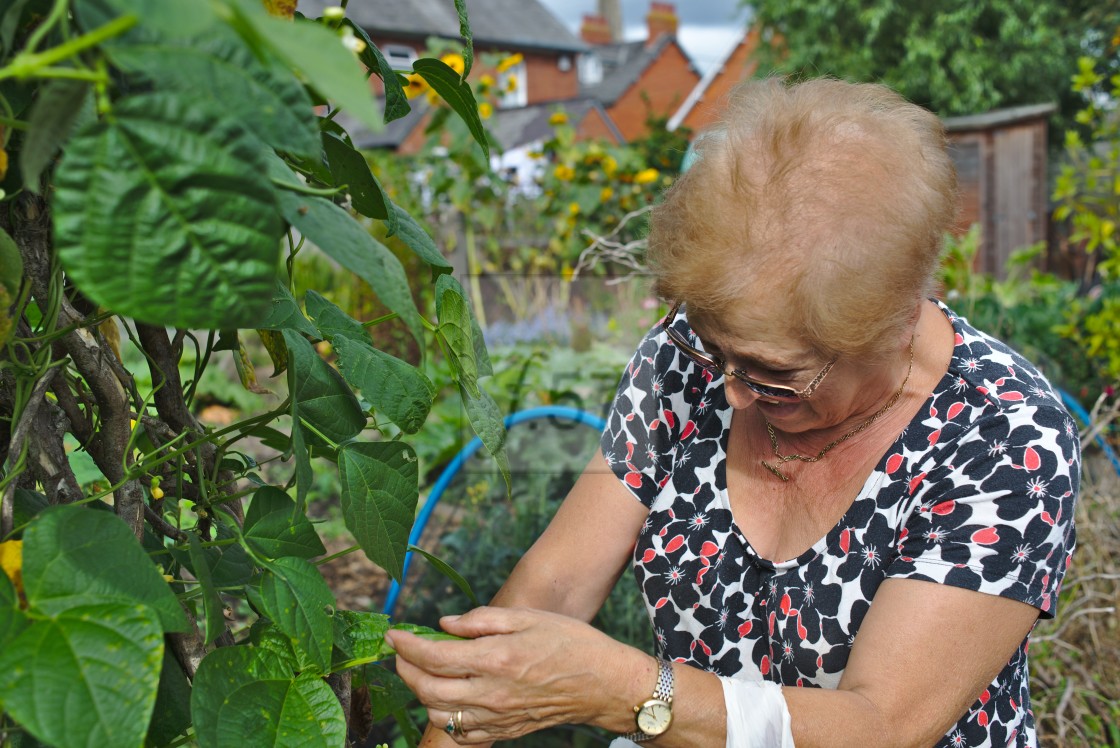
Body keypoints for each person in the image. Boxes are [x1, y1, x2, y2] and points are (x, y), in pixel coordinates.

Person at [385, 78, 1080, 747]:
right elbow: (555, 584)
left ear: (894, 323)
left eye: (777, 375)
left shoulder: (1003, 438)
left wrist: (625, 688)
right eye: (719, 350)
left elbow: (882, 727)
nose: (733, 391)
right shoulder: (687, 358)